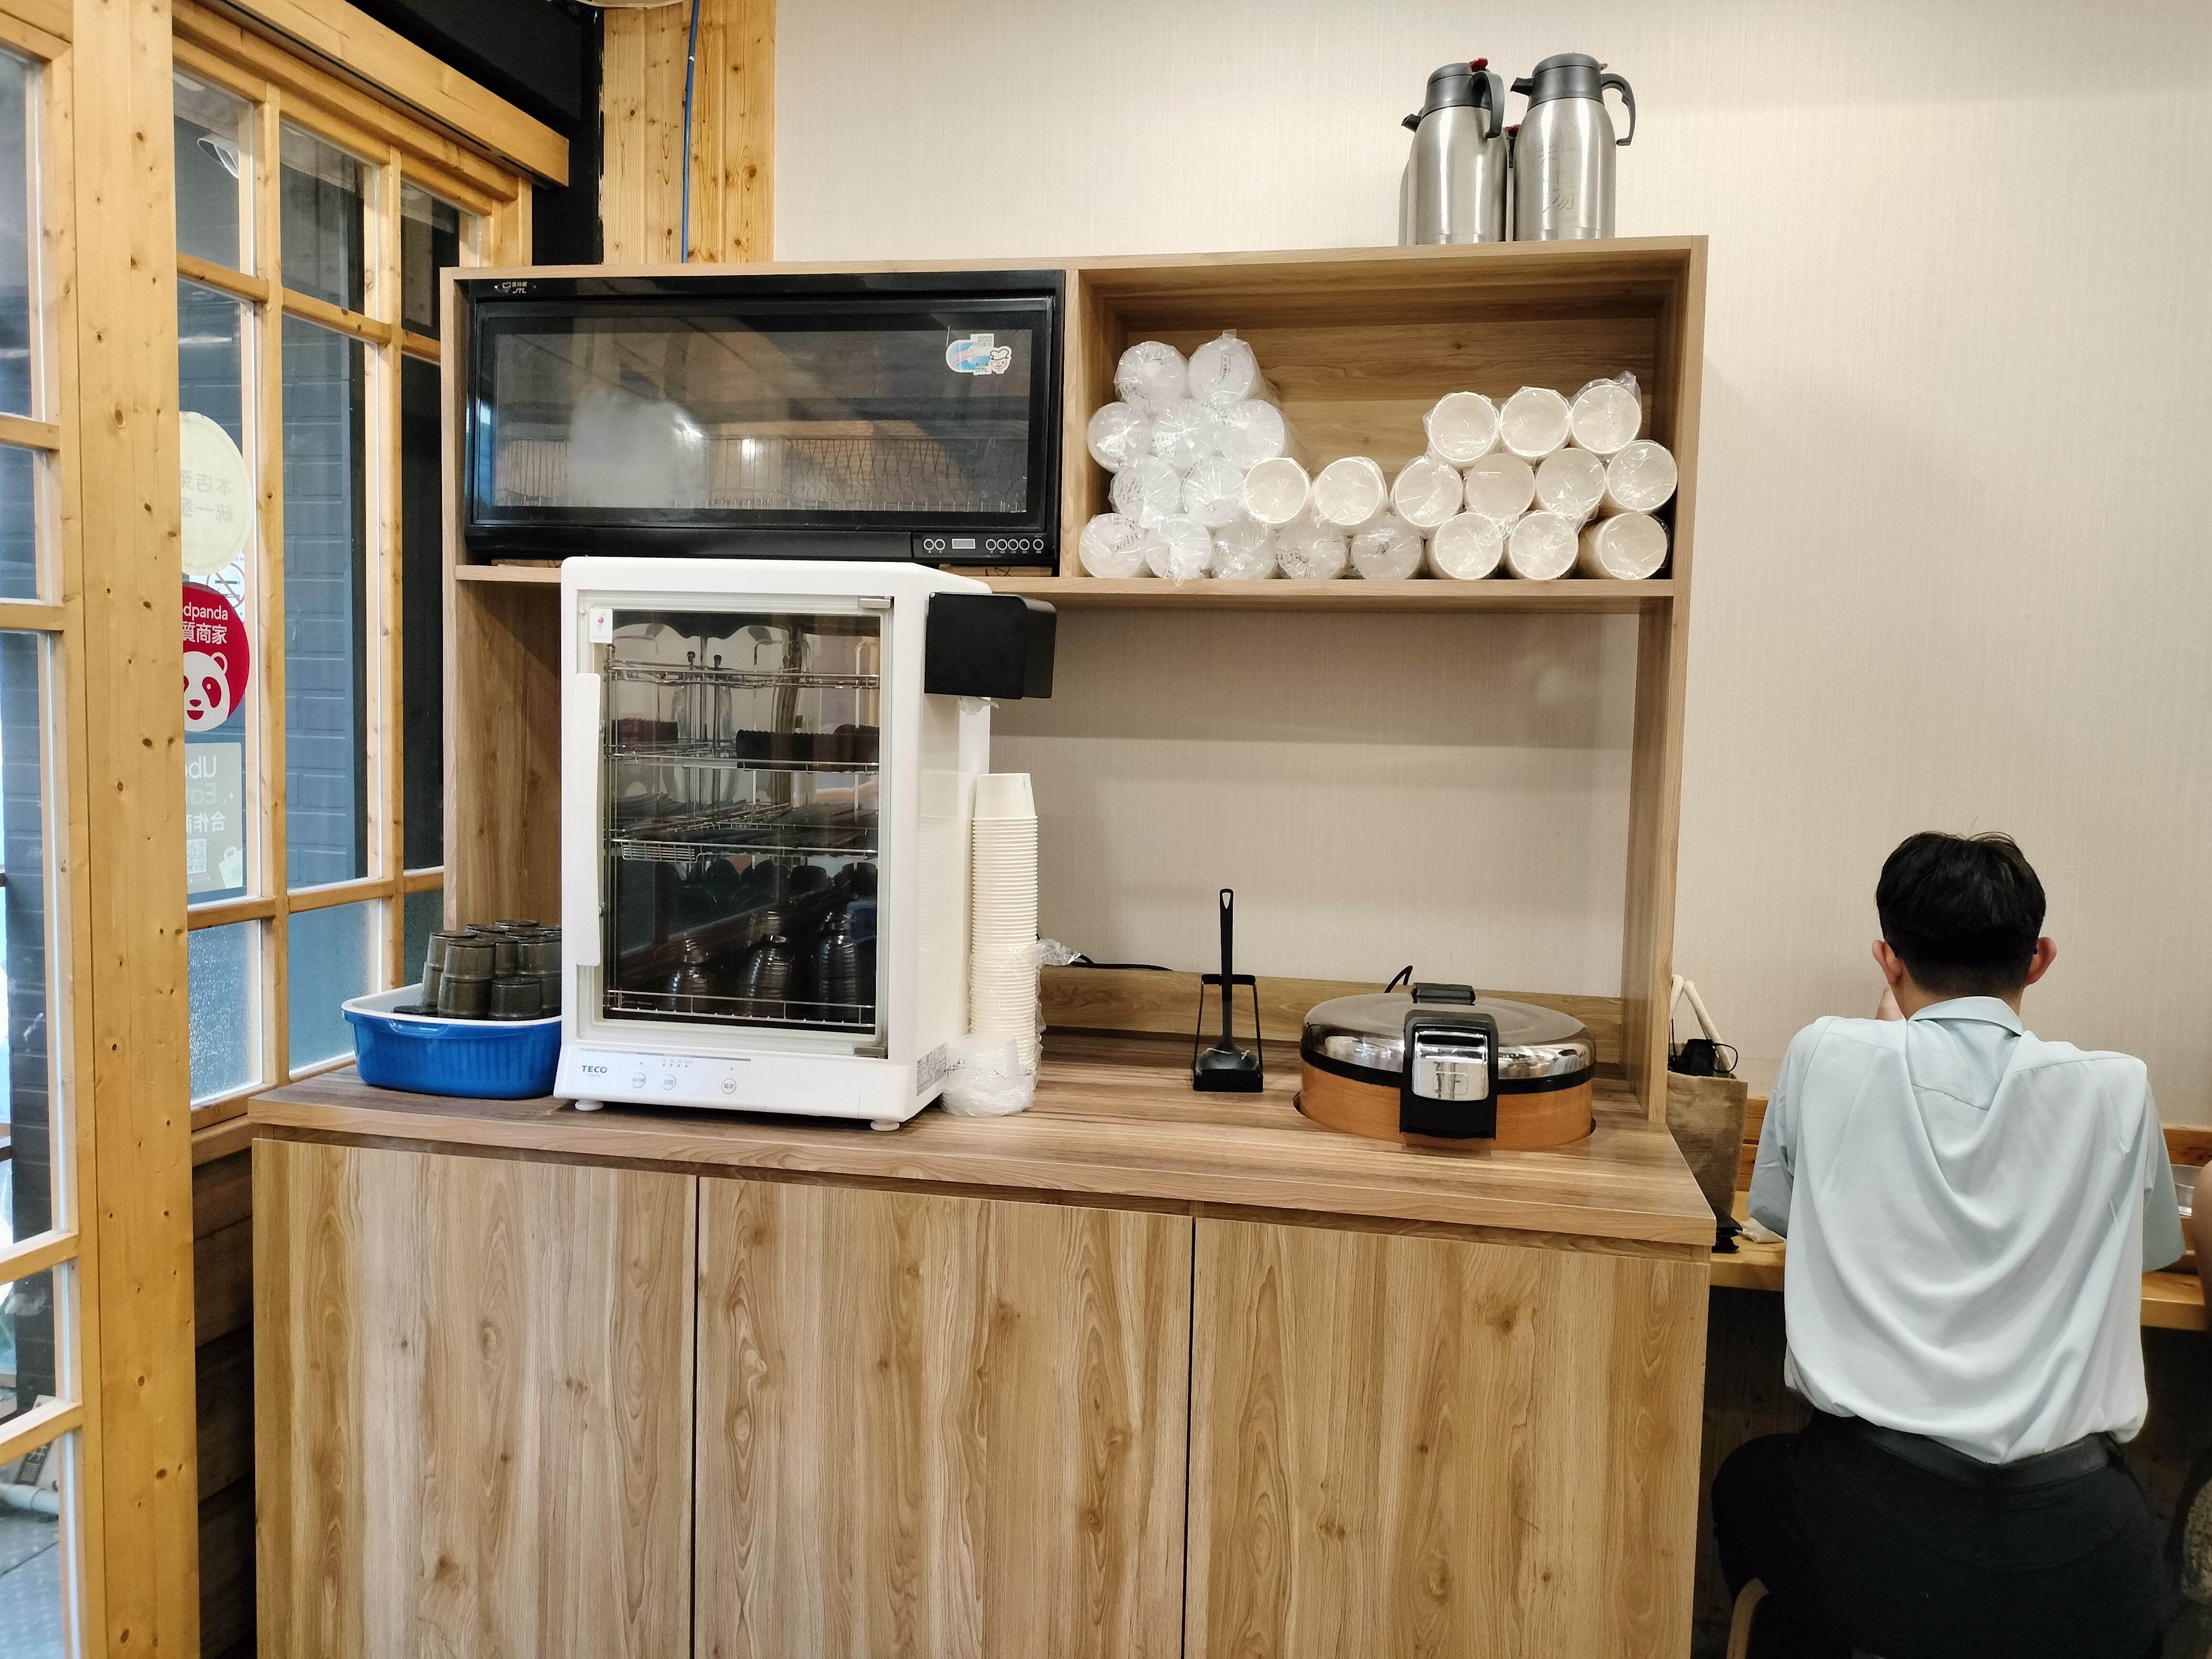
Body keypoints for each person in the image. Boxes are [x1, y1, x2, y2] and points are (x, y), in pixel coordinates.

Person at [1714, 830, 2187, 1659]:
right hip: (2083, 1554)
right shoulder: (2120, 1087)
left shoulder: (1825, 1054)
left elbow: (1780, 1217)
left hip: (1869, 1534)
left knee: (1747, 1485)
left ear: (1886, 958)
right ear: (2038, 960)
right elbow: (2151, 1256)